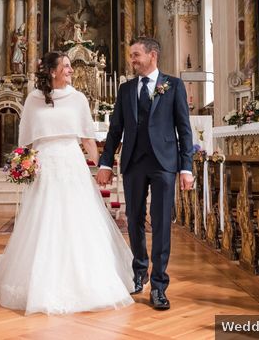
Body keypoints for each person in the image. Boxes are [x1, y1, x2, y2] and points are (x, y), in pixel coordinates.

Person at [0, 51, 135, 315]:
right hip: (43, 165)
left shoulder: (78, 99)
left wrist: (101, 167)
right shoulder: (33, 99)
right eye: (65, 66)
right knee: (44, 220)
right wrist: (22, 163)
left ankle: (87, 281)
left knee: (77, 219)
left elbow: (87, 138)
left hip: (71, 164)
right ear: (52, 71)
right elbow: (25, 139)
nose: (71, 70)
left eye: (70, 66)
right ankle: (38, 282)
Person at [96, 37, 195, 311]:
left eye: (136, 55)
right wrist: (105, 164)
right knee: (134, 218)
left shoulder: (173, 85)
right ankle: (139, 271)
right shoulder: (126, 89)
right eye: (131, 56)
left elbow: (184, 129)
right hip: (134, 162)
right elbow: (116, 129)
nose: (133, 60)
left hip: (164, 163)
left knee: (162, 222)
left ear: (153, 55)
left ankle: (160, 285)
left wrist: (186, 167)